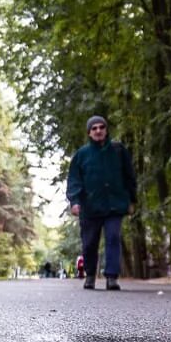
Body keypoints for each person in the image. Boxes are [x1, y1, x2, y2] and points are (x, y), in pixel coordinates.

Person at [66, 115, 137, 290]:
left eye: (101, 127)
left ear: (106, 130)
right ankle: (90, 275)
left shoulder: (118, 150)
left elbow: (129, 177)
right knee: (89, 242)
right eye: (94, 128)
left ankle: (112, 277)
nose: (98, 131)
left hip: (115, 204)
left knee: (113, 238)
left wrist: (131, 200)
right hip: (90, 206)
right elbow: (74, 179)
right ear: (89, 133)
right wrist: (74, 200)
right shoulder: (81, 155)